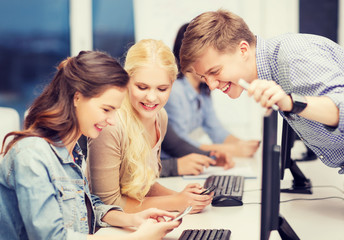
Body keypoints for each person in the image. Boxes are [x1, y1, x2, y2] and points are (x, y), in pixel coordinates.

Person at [0, 50, 180, 240]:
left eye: (115, 111)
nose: (112, 120)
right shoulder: (31, 155)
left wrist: (133, 219)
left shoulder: (73, 151)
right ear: (77, 98)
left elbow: (85, 206)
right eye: (106, 109)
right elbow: (51, 237)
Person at [179, 9, 344, 174]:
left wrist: (290, 103)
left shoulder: (293, 56)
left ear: (243, 50)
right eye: (204, 77)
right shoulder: (273, 70)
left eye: (214, 71)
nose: (212, 85)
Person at [86, 39, 212, 214]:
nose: (152, 98)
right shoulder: (110, 126)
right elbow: (107, 204)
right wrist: (175, 201)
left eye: (162, 89)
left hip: (137, 222)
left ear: (172, 85)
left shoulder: (160, 117)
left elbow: (143, 184)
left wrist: (185, 198)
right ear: (126, 80)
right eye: (142, 87)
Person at [163, 23, 260, 160]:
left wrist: (243, 144)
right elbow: (180, 143)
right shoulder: (175, 91)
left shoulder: (204, 89)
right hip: (172, 162)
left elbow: (216, 129)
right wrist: (233, 150)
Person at [160, 123, 234, 177]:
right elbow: (147, 168)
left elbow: (176, 145)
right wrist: (174, 166)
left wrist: (209, 157)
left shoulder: (159, 114)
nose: (152, 100)